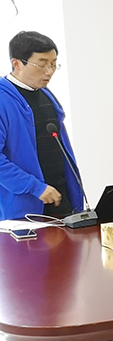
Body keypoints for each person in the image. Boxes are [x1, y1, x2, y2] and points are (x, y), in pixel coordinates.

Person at [0, 31, 83, 220]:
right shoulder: (3, 99)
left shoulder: (46, 94)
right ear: (17, 63)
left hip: (60, 198)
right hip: (24, 207)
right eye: (42, 64)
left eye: (53, 64)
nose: (49, 72)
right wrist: (35, 187)